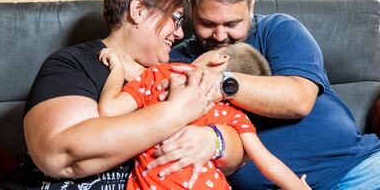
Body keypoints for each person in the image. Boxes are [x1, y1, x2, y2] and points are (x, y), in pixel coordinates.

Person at [0, 0, 242, 190]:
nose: (179, 34)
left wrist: (214, 140)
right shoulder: (72, 64)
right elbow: (62, 154)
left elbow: (237, 151)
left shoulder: (172, 74)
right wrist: (174, 114)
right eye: (176, 19)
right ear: (138, 10)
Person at [169, 0, 380, 189]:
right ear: (192, 9)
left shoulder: (278, 30)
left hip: (358, 168)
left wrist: (221, 83)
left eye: (231, 23)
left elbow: (299, 100)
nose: (219, 35)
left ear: (251, 7)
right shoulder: (178, 60)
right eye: (207, 23)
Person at [97, 42, 311, 190]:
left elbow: (108, 110)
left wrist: (117, 69)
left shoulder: (160, 74)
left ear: (220, 59)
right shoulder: (233, 115)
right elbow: (269, 165)